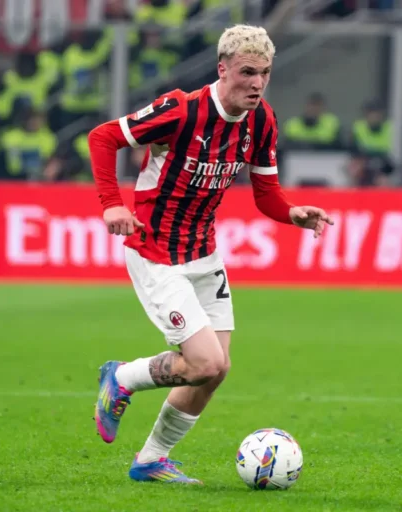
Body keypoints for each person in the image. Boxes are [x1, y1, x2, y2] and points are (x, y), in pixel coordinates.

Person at [87, 24, 334, 485]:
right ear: (223, 69)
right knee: (204, 362)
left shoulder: (262, 121)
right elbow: (103, 138)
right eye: (247, 73)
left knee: (215, 371)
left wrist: (293, 213)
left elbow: (266, 194)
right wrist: (112, 204)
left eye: (264, 73)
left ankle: (150, 460)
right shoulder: (180, 110)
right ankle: (122, 377)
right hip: (157, 252)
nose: (257, 83)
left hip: (204, 256)